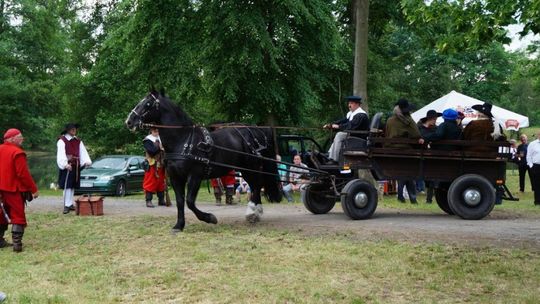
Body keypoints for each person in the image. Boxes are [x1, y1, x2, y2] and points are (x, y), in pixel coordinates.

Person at [0, 129, 39, 252]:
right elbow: (23, 174)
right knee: (18, 215)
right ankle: (17, 245)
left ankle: (0, 241)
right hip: (14, 189)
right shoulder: (17, 152)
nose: (23, 138)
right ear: (11, 139)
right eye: (20, 136)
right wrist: (34, 189)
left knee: (1, 214)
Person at [385, 98, 424, 204]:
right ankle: (410, 198)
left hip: (391, 150)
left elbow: (387, 134)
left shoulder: (390, 120)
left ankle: (404, 197)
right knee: (408, 174)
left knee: (403, 174)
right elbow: (417, 134)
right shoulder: (408, 120)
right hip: (405, 151)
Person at [56, 123, 92, 214]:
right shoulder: (62, 140)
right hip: (67, 166)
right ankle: (66, 205)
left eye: (75, 129)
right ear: (67, 130)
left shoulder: (78, 141)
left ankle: (70, 203)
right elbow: (61, 154)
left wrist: (86, 161)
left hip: (75, 166)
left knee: (72, 186)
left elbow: (82, 152)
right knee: (67, 186)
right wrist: (65, 164)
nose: (74, 130)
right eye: (72, 129)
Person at [323, 95, 369, 163]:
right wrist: (331, 125)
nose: (349, 105)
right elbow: (343, 121)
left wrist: (338, 127)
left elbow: (351, 126)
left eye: (351, 103)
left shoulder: (361, 115)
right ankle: (330, 155)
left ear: (357, 104)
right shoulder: (352, 114)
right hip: (353, 135)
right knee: (338, 135)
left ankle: (335, 159)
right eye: (349, 103)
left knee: (339, 135)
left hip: (358, 137)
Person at [417, 110, 441, 203]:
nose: (435, 121)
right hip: (422, 154)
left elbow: (437, 136)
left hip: (432, 155)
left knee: (432, 178)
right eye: (434, 119)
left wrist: (427, 139)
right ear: (429, 119)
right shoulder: (420, 128)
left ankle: (429, 199)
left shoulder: (436, 128)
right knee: (425, 178)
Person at [143, 127, 167, 208]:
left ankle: (161, 200)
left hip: (161, 163)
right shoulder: (147, 140)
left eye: (157, 131)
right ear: (151, 131)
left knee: (161, 182)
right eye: (154, 131)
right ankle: (148, 200)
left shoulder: (161, 139)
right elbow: (151, 151)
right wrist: (159, 148)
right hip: (152, 164)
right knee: (150, 182)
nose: (156, 132)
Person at [526, 131, 540, 205]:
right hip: (536, 167)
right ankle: (537, 201)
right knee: (537, 185)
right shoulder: (532, 144)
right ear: (538, 135)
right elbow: (528, 156)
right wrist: (531, 166)